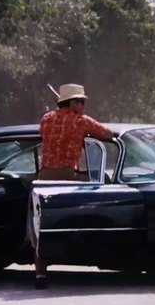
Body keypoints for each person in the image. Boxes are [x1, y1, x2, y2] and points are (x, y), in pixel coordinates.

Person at [30, 83, 113, 289]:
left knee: (39, 224)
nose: (84, 105)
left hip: (44, 175)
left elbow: (43, 134)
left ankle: (40, 273)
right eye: (81, 101)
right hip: (68, 175)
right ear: (72, 102)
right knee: (71, 217)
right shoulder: (81, 121)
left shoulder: (46, 119)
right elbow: (108, 133)